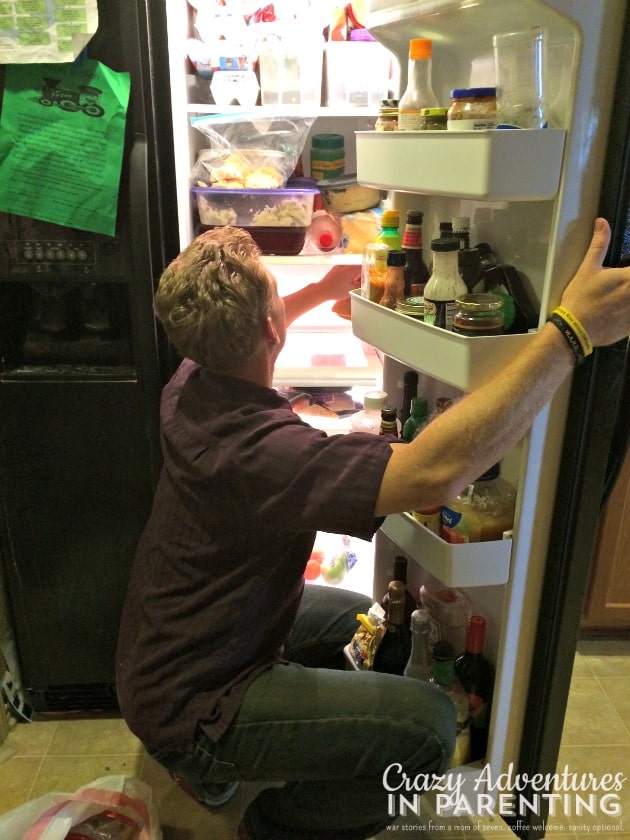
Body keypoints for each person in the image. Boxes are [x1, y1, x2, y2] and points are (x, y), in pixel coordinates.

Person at [116, 220, 630, 840]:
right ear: (271, 329)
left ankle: (257, 754)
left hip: (166, 653)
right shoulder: (271, 455)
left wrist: (322, 288)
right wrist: (571, 332)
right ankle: (272, 823)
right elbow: (432, 474)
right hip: (195, 706)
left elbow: (246, 335)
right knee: (429, 731)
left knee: (359, 621)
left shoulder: (188, 383)